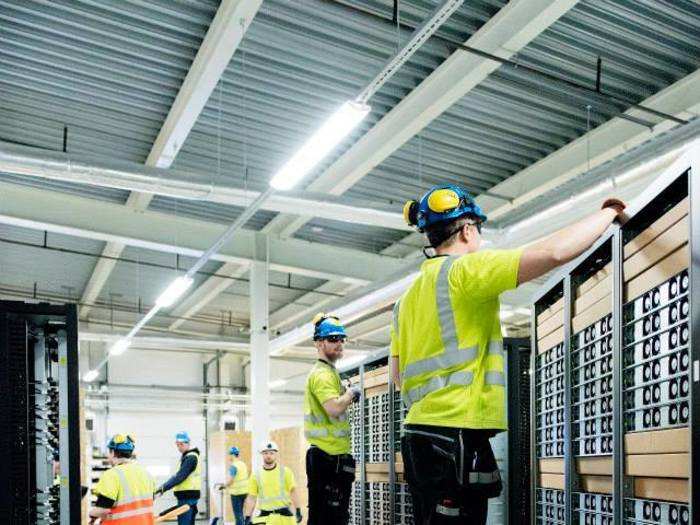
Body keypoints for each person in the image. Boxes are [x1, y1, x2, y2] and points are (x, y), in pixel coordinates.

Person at [392, 184, 626, 524]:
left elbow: (399, 378)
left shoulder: (404, 302)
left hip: (418, 439)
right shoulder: (464, 271)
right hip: (457, 432)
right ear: (468, 229)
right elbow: (556, 252)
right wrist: (610, 211)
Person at [304, 313, 360, 525]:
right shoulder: (322, 374)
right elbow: (333, 408)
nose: (339, 344)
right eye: (333, 339)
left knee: (332, 517)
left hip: (331, 458)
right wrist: (351, 394)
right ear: (319, 343)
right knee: (328, 519)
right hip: (327, 459)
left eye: (341, 339)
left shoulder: (329, 372)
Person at [89, 434, 155, 524]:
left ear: (112, 452)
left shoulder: (112, 475)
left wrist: (92, 514)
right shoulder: (146, 474)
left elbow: (103, 509)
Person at [243, 441, 302, 525]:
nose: (268, 456)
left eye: (271, 453)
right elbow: (252, 497)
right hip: (265, 516)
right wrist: (248, 517)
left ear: (276, 454)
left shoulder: (285, 472)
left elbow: (293, 491)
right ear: (262, 454)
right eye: (266, 453)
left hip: (284, 516)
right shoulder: (256, 475)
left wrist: (298, 510)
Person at [154, 431, 202, 525]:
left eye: (180, 444)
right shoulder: (187, 456)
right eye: (177, 445)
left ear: (187, 443)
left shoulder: (191, 458)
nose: (178, 447)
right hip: (186, 497)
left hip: (188, 497)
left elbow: (179, 477)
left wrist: (163, 488)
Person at [226, 446, 249, 524]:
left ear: (232, 455)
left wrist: (224, 485)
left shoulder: (233, 466)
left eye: (229, 454)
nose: (228, 456)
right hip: (244, 492)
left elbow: (230, 481)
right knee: (241, 513)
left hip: (236, 493)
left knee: (237, 514)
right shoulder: (243, 464)